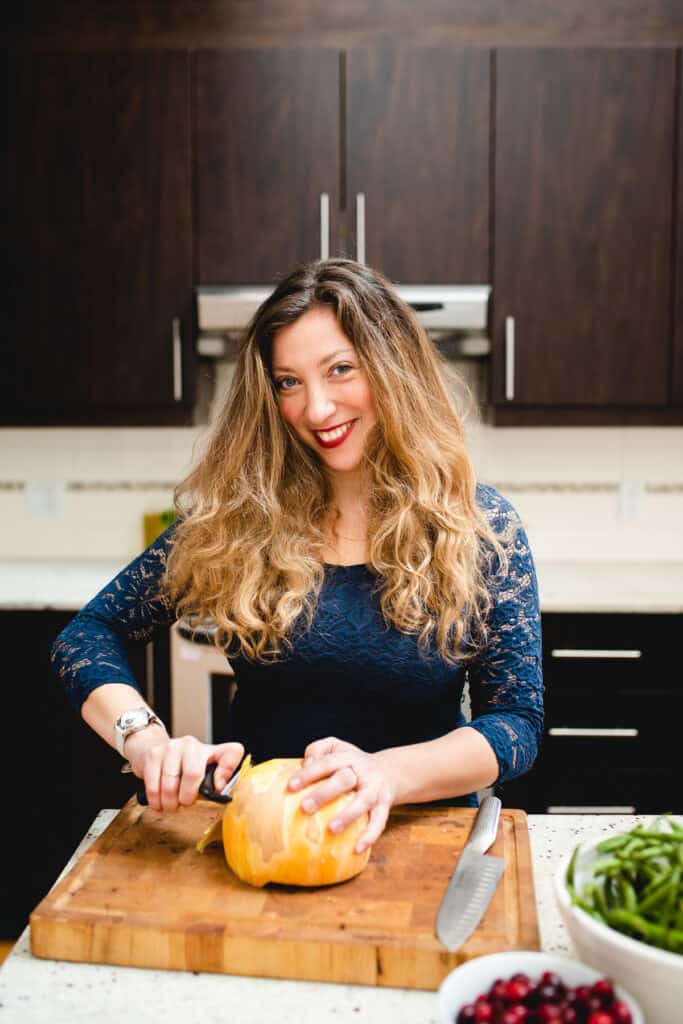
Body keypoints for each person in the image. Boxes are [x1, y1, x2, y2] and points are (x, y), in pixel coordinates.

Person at [51, 259, 543, 855]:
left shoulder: (481, 527)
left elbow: (514, 724)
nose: (317, 409)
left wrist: (385, 774)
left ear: (393, 371)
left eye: (341, 370)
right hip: (268, 839)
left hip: (423, 842)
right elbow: (88, 634)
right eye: (289, 382)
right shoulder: (237, 522)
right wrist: (148, 744)